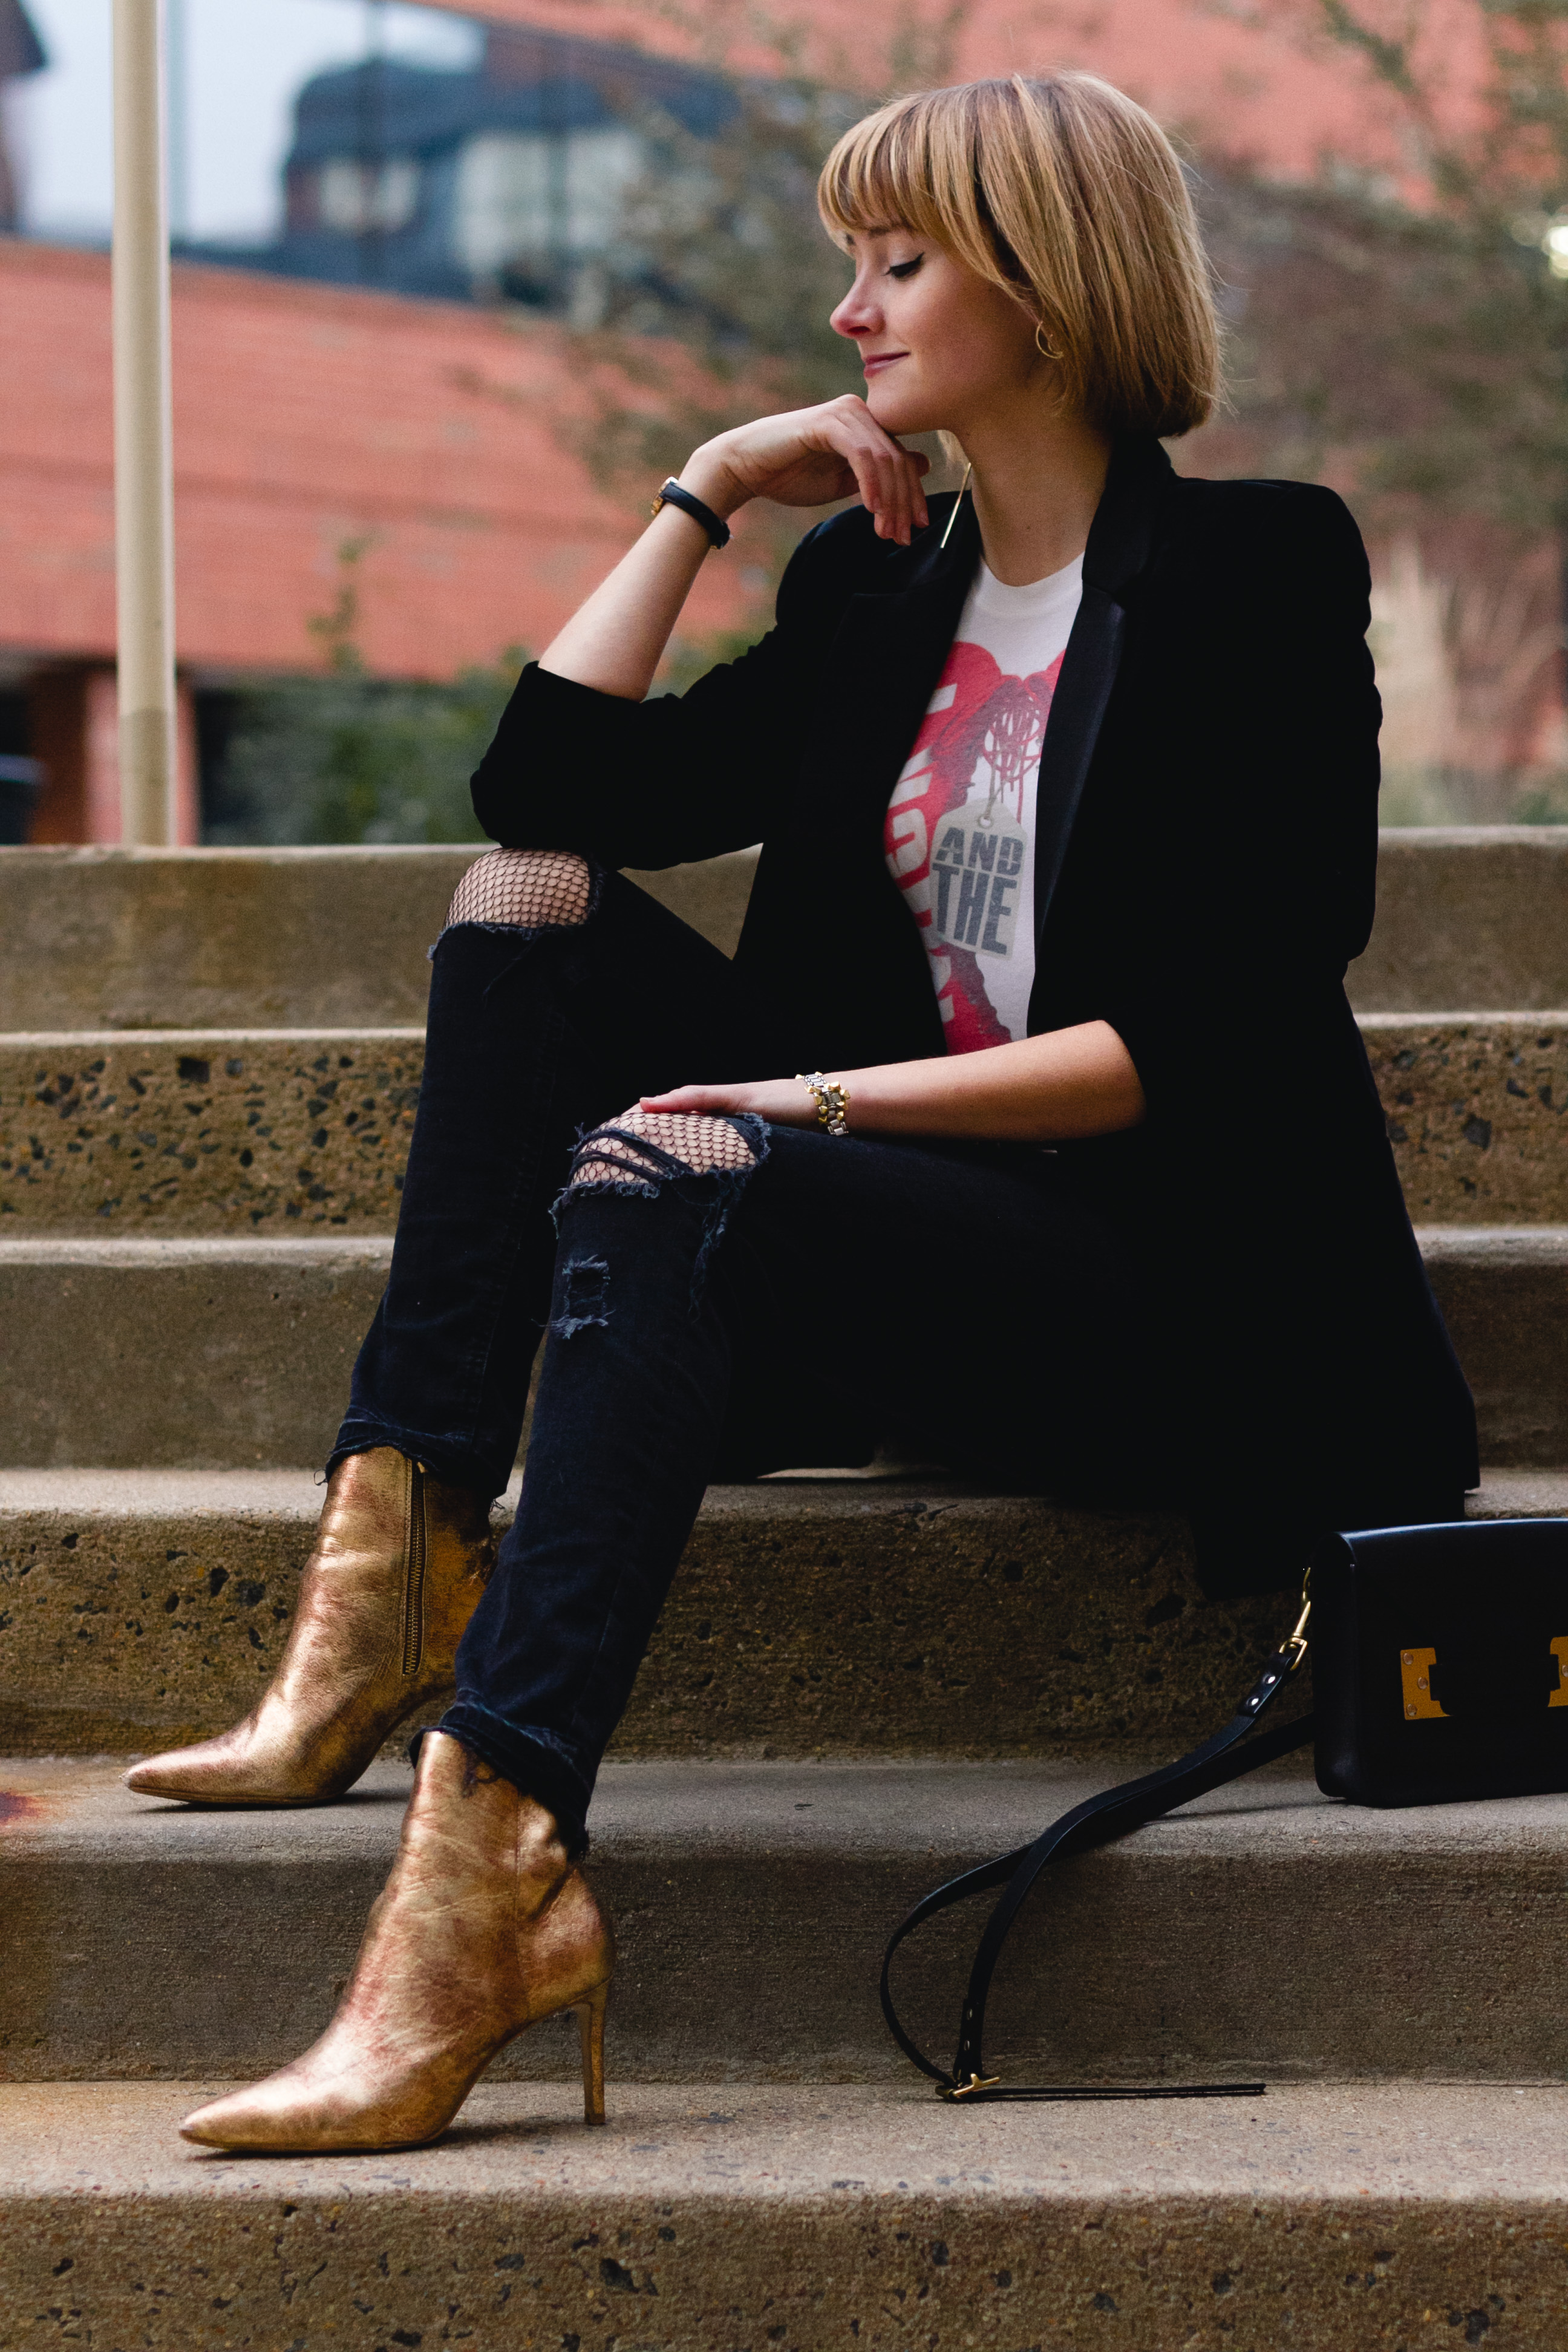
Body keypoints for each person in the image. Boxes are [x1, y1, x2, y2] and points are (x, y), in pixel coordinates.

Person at [129, 69, 1477, 2153]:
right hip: (896, 1245)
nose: (850, 309)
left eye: (899, 258)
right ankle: (390, 1563)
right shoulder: (881, 596)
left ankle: (481, 1875)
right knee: (527, 917)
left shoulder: (1255, 570)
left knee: (692, 1156)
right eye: (850, 261)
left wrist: (798, 1101)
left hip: (1169, 1298)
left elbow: (1209, 1028)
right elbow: (552, 797)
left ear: (1042, 280)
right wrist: (701, 491)